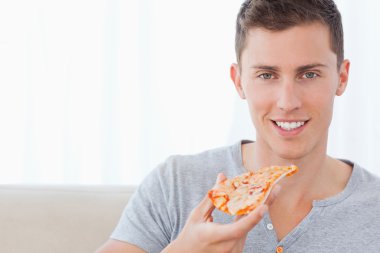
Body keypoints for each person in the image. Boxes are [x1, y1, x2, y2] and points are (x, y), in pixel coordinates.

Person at [96, 0, 380, 252]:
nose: (287, 101)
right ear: (238, 80)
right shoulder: (176, 184)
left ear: (342, 77)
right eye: (267, 75)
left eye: (309, 74)